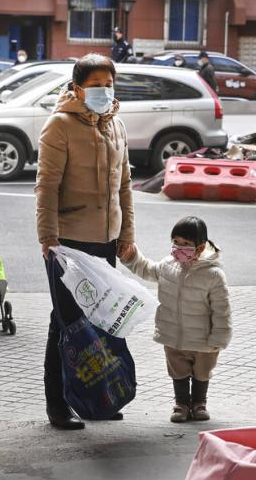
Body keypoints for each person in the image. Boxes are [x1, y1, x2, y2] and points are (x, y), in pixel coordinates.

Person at [35, 53, 135, 430]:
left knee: (102, 319)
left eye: (108, 85)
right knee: (66, 322)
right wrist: (48, 237)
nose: (103, 92)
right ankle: (58, 404)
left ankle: (98, 398)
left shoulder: (117, 126)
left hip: (105, 239)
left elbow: (124, 186)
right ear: (77, 88)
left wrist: (126, 235)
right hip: (68, 241)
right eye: (95, 85)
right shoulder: (58, 126)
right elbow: (46, 187)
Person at [119, 217, 231, 422]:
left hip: (203, 340)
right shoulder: (168, 265)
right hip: (173, 335)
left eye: (186, 244)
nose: (179, 248)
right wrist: (131, 256)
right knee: (177, 370)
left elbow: (222, 311)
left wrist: (219, 338)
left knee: (202, 372)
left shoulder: (213, 275)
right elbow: (147, 269)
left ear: (200, 247)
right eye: (176, 242)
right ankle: (181, 404)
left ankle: (199, 404)